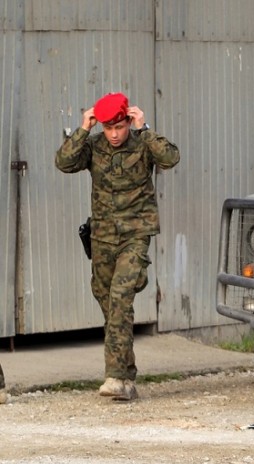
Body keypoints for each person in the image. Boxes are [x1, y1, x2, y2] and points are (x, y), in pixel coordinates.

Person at [55, 93, 180, 401]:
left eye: (119, 127)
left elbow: (171, 158)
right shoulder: (94, 146)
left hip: (135, 234)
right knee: (107, 301)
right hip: (102, 237)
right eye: (108, 128)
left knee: (120, 297)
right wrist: (83, 128)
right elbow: (64, 162)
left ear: (128, 120)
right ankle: (126, 374)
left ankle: (114, 377)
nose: (114, 134)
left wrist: (145, 127)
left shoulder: (142, 143)